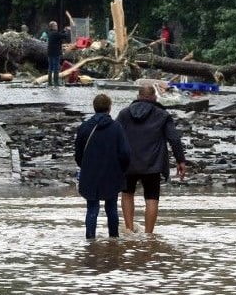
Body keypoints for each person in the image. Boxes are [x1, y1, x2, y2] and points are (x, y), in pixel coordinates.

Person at [116, 84, 188, 234]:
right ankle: (149, 235)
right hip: (152, 164)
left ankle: (129, 230)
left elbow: (114, 137)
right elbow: (174, 139)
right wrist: (180, 160)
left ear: (137, 97)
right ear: (155, 97)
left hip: (128, 163)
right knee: (151, 198)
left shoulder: (124, 114)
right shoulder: (162, 115)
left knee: (127, 194)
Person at [74, 94, 130, 239]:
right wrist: (121, 169)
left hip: (90, 173)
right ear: (110, 108)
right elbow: (125, 153)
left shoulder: (84, 127)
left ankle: (90, 240)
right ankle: (114, 239)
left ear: (94, 107)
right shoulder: (117, 127)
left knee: (92, 208)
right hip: (111, 173)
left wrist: (85, 166)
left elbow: (78, 154)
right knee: (111, 207)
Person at [46, 21, 70, 87]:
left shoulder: (50, 33)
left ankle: (50, 82)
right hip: (55, 53)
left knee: (50, 68)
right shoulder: (55, 34)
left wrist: (63, 30)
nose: (57, 26)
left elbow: (59, 34)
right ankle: (56, 83)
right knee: (56, 68)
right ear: (52, 27)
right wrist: (67, 30)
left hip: (50, 53)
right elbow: (64, 36)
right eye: (55, 25)